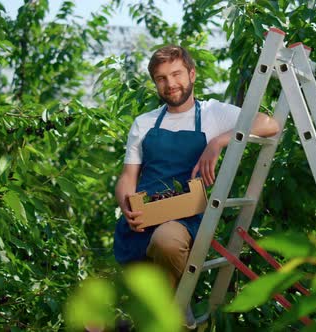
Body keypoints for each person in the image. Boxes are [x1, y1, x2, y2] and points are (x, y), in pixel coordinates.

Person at [112, 45, 279, 327]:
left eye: (176, 74)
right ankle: (179, 316)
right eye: (161, 78)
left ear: (192, 74)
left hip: (183, 216)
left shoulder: (213, 113)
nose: (170, 84)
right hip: (145, 215)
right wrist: (126, 205)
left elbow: (269, 124)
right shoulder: (144, 122)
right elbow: (128, 177)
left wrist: (219, 141)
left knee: (166, 243)